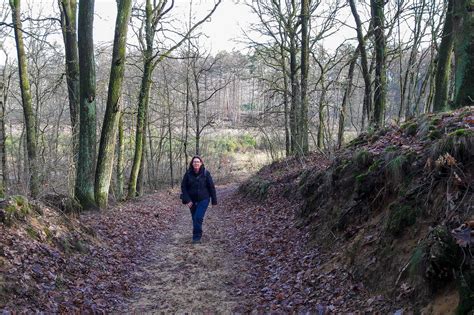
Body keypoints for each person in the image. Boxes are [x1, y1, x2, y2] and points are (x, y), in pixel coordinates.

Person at [180, 155, 217, 244]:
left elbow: (211, 187)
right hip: (191, 200)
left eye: (198, 162)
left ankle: (196, 237)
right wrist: (187, 200)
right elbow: (183, 187)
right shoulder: (188, 174)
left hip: (204, 199)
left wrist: (214, 201)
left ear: (201, 163)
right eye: (194, 162)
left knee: (198, 217)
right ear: (192, 164)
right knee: (194, 218)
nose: (196, 163)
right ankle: (197, 232)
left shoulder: (206, 173)